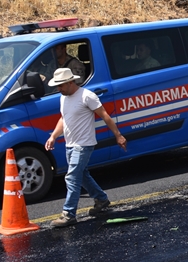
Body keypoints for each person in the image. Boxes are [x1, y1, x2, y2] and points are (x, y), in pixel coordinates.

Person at [44, 67, 127, 227]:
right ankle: (101, 199)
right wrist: (53, 136)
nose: (58, 89)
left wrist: (118, 135)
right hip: (70, 144)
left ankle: (68, 214)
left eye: (60, 85)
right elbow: (63, 119)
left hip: (84, 144)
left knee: (72, 177)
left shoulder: (87, 96)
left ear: (70, 82)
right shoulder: (63, 97)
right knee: (82, 175)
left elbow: (105, 116)